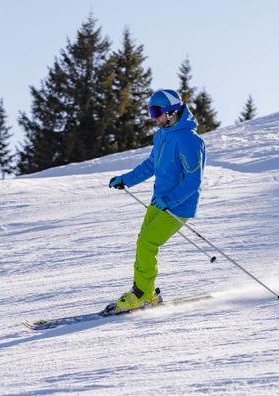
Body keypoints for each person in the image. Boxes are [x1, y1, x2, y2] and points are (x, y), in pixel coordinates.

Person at [108, 88, 206, 313]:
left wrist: (170, 200)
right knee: (143, 242)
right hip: (158, 201)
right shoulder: (162, 135)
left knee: (148, 243)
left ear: (172, 112)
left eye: (157, 112)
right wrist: (127, 180)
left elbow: (194, 181)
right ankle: (148, 292)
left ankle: (141, 294)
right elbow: (151, 165)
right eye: (151, 112)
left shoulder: (190, 141)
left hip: (179, 206)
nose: (154, 118)